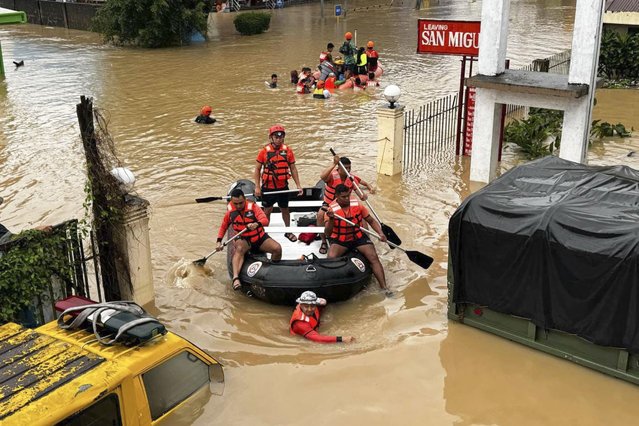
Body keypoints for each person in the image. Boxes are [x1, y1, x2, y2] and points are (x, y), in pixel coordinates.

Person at [216, 188, 282, 290]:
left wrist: (256, 224)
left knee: (277, 248)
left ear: (245, 199)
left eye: (241, 203)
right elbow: (223, 226)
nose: (238, 206)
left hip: (259, 238)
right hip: (243, 239)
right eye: (236, 203)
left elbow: (265, 220)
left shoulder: (253, 207)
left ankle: (273, 272)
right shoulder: (230, 212)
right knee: (239, 249)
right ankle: (236, 278)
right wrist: (218, 241)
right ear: (232, 202)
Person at [324, 184, 388, 290]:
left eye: (348, 196)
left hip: (358, 237)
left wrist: (380, 233)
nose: (346, 199)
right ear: (336, 196)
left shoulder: (357, 205)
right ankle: (331, 287)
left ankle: (385, 288)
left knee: (373, 257)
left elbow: (371, 220)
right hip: (341, 240)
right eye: (343, 197)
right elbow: (327, 232)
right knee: (331, 259)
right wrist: (331, 219)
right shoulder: (331, 210)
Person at [253, 124, 303, 242]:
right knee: (267, 211)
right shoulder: (263, 152)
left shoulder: (288, 151)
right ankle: (264, 233)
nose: (279, 139)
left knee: (285, 209)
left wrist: (298, 185)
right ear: (271, 138)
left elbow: (293, 169)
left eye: (281, 137)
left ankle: (288, 231)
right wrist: (257, 187)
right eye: (276, 137)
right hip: (268, 187)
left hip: (283, 187)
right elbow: (256, 169)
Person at [316, 156, 375, 254]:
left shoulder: (351, 178)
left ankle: (366, 240)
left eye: (349, 168)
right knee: (320, 216)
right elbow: (322, 177)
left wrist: (364, 194)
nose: (347, 170)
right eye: (345, 168)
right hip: (329, 203)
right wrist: (334, 163)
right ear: (339, 168)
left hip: (346, 203)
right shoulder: (331, 176)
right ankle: (323, 241)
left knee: (362, 218)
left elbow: (359, 186)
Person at [290, 291, 355, 343]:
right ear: (301, 305)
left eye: (312, 306)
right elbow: (318, 338)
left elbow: (322, 303)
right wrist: (342, 339)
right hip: (305, 337)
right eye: (306, 306)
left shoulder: (317, 306)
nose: (309, 309)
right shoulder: (300, 324)